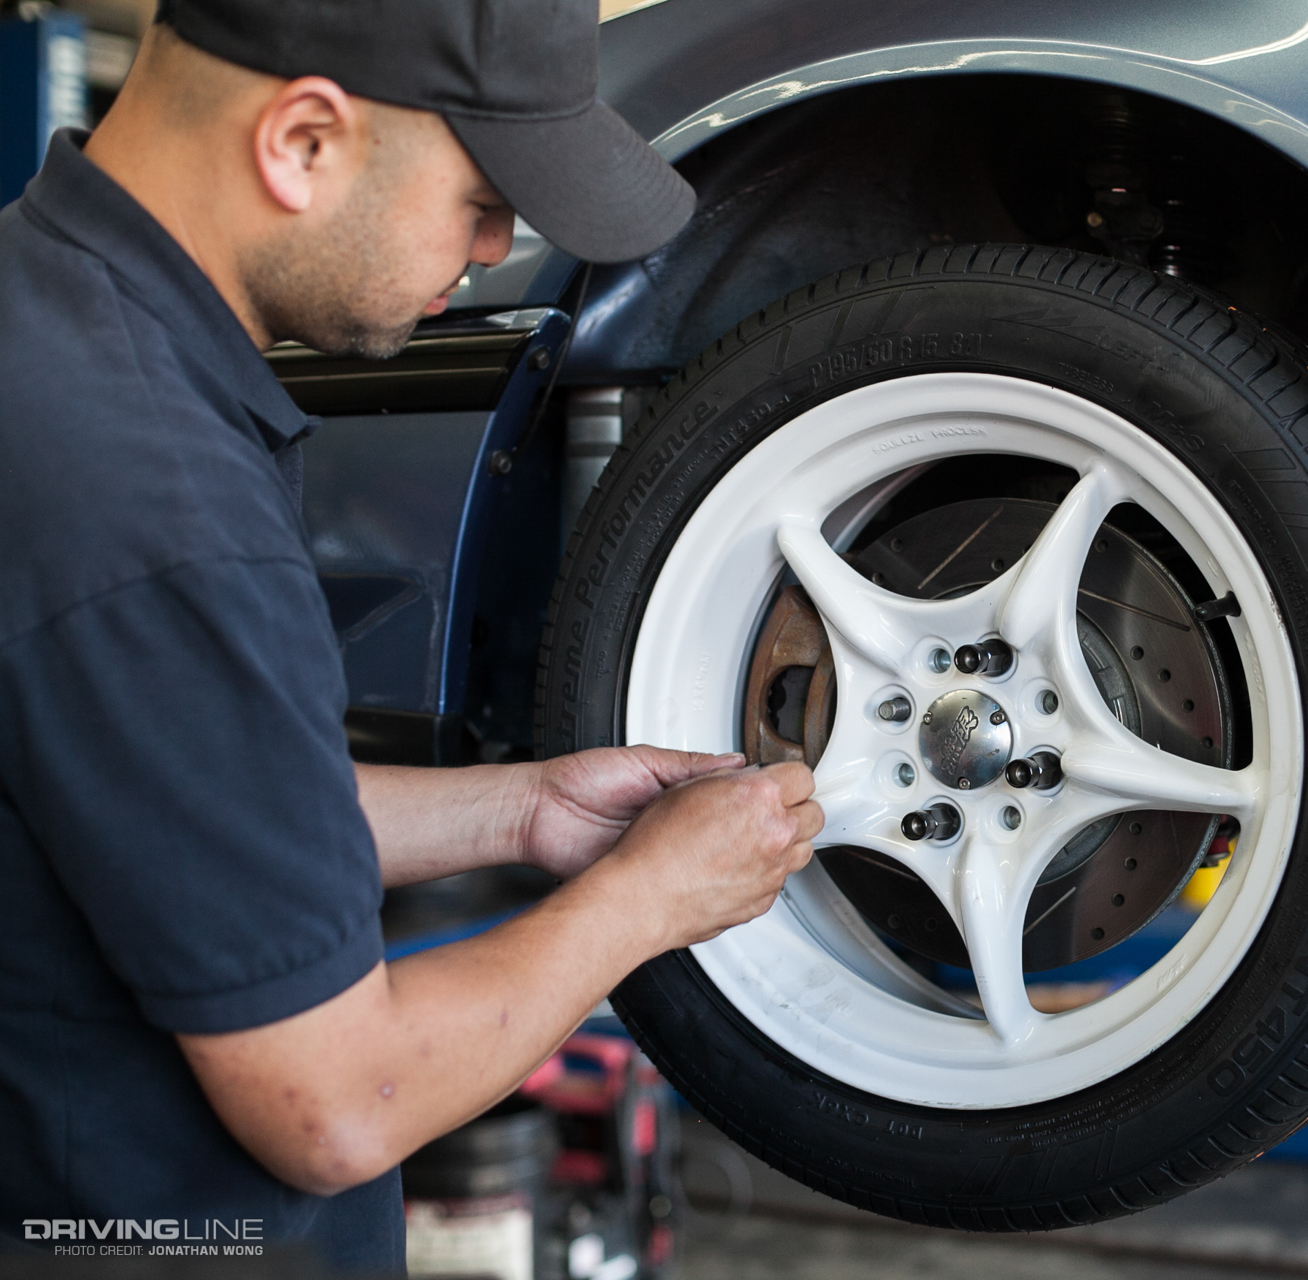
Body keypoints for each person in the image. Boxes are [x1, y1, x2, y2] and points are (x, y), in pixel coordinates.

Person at [0, 0, 821, 1268]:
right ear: (306, 141)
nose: (498, 246)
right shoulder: (151, 495)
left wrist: (522, 811)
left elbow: (166, 804)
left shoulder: (51, 335)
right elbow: (336, 1103)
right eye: (484, 194)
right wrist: (640, 902)